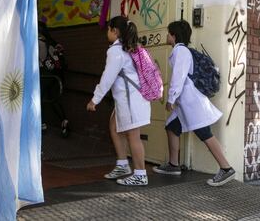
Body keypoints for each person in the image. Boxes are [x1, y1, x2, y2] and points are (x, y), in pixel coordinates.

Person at [152, 19, 235, 187]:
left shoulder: (180, 52)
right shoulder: (181, 51)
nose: (167, 35)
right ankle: (174, 165)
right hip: (186, 103)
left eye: (168, 33)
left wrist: (170, 99)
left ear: (173, 36)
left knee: (204, 133)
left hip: (192, 102)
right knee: (171, 127)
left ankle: (226, 169)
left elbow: (178, 78)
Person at [86, 16, 151, 186]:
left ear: (115, 31)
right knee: (114, 127)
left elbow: (108, 78)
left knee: (133, 136)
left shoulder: (116, 51)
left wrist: (95, 100)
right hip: (130, 99)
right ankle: (123, 164)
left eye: (108, 29)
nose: (107, 32)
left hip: (130, 100)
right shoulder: (131, 47)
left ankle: (140, 174)